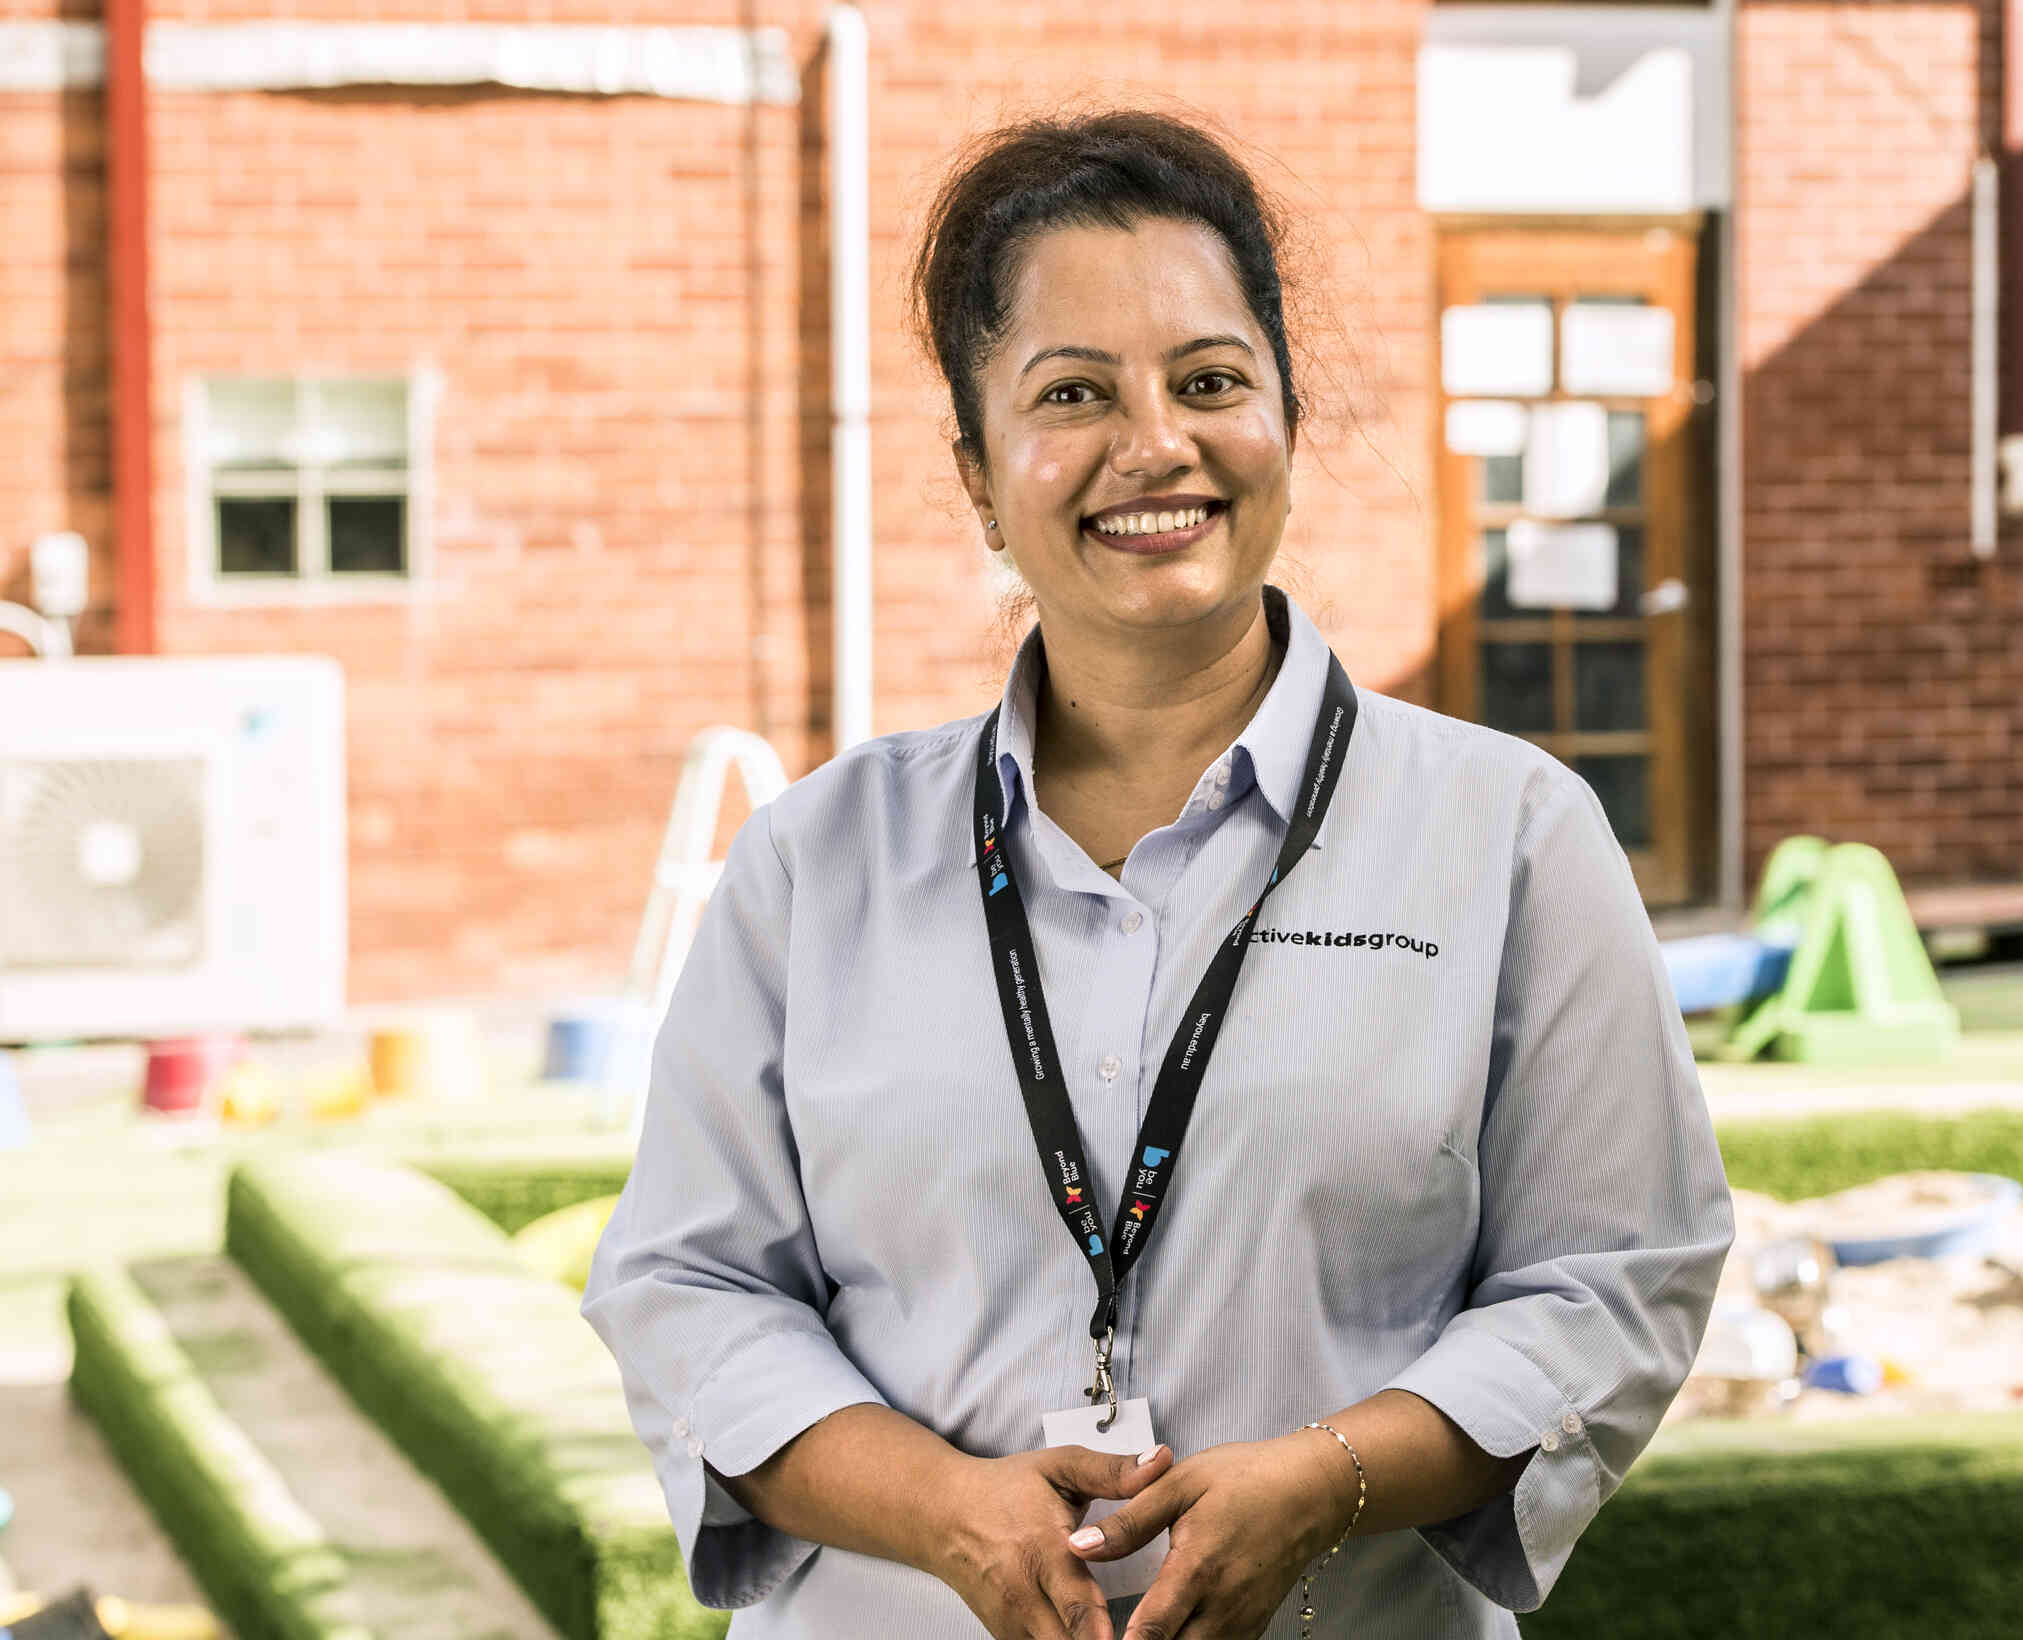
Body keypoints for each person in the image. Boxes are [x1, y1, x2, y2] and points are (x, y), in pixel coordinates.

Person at [580, 109, 1731, 1640]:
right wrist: (944, 1511)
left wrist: (1332, 1478)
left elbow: (1614, 1273)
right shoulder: (813, 862)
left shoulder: (1510, 834)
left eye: (1208, 381)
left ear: (1287, 422)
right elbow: (688, 1289)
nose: (1155, 444)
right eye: (1072, 394)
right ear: (982, 476)